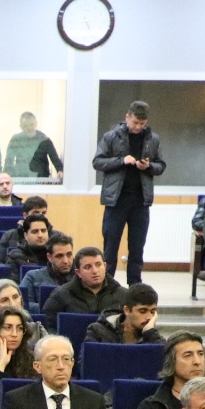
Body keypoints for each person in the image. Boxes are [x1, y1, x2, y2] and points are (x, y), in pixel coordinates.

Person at [93, 101, 166, 285]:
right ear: (127, 117)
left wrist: (148, 166)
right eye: (135, 122)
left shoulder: (153, 139)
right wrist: (121, 160)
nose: (138, 127)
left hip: (141, 201)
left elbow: (161, 166)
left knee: (137, 248)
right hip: (116, 200)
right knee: (110, 248)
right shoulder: (111, 136)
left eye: (142, 124)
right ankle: (107, 285)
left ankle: (134, 286)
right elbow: (98, 162)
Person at [0, 336, 107, 409]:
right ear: (37, 367)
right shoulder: (17, 402)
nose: (61, 366)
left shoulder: (95, 402)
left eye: (66, 359)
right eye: (52, 359)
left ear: (72, 363)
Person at [42, 247, 128, 324]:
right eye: (88, 267)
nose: (95, 271)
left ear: (105, 266)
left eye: (98, 265)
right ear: (78, 272)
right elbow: (47, 324)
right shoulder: (61, 294)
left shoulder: (124, 295)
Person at [85, 283, 163, 344]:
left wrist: (150, 333)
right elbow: (87, 358)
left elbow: (165, 357)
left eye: (153, 311)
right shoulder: (97, 331)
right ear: (127, 310)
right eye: (142, 311)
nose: (149, 317)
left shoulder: (152, 336)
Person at [6, 111, 63, 181]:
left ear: (36, 123)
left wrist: (60, 170)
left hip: (40, 179)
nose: (29, 128)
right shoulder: (16, 140)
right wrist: (6, 176)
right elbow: (9, 160)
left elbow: (54, 158)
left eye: (31, 124)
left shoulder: (45, 140)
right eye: (25, 126)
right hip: (21, 178)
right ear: (21, 127)